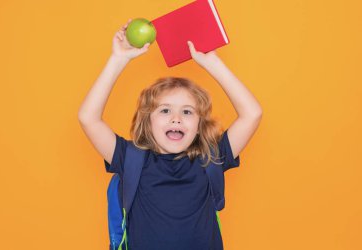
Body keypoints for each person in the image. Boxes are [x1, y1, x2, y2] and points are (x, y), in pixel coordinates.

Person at [78, 18, 263, 250]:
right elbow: (88, 118)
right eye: (165, 110)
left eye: (187, 112)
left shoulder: (211, 157)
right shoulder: (130, 158)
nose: (176, 118)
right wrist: (118, 59)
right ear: (148, 121)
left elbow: (252, 114)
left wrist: (212, 62)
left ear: (199, 124)